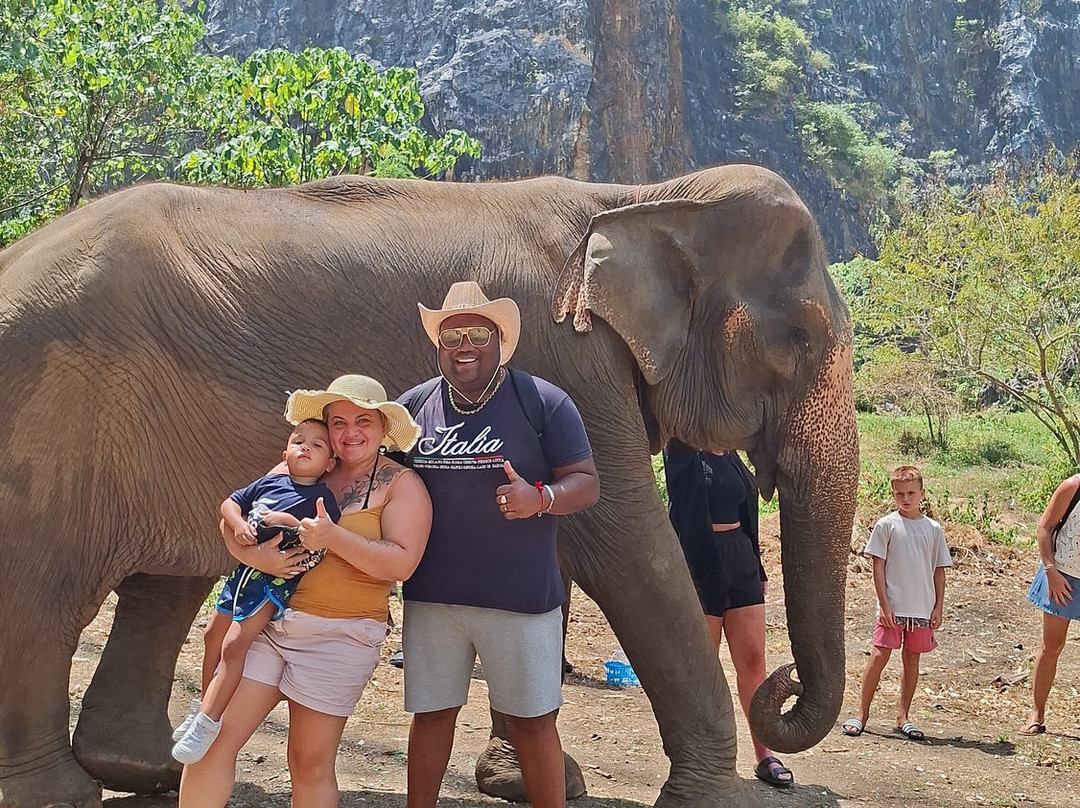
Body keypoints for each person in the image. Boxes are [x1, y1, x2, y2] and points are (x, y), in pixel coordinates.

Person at [178, 375, 432, 808]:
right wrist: (261, 560)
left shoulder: (402, 485)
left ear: (383, 426)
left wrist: (332, 537)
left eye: (362, 421)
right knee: (210, 742)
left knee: (307, 764)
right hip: (269, 626)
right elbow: (235, 518)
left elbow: (402, 562)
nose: (350, 432)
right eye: (338, 422)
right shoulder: (299, 463)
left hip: (339, 636)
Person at [400, 281, 599, 808]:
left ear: (500, 341)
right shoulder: (412, 409)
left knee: (530, 723)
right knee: (432, 716)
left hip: (521, 599)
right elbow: (377, 480)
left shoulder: (543, 402)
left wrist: (541, 498)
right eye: (452, 335)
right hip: (433, 596)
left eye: (476, 334)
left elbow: (586, 481)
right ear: (439, 345)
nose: (463, 345)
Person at [172, 418, 341, 764]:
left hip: (274, 582)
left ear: (330, 464)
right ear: (285, 452)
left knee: (235, 644)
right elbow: (230, 505)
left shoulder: (321, 497)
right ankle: (202, 704)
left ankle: (208, 721)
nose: (305, 448)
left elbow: (321, 538)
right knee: (212, 635)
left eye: (317, 445)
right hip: (244, 573)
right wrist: (237, 524)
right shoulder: (270, 481)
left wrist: (286, 521)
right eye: (299, 441)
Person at [663, 439, 793, 788]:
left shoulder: (733, 456)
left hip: (740, 561)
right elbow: (680, 509)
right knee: (703, 666)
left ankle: (764, 754)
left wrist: (758, 566)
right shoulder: (682, 452)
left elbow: (748, 513)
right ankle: (704, 756)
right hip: (700, 562)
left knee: (753, 661)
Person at [842, 465, 951, 741]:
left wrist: (938, 606)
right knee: (879, 656)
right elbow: (878, 567)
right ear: (893, 494)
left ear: (922, 493)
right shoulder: (886, 525)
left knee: (912, 659)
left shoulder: (933, 529)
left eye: (911, 492)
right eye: (900, 493)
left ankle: (903, 717)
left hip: (922, 608)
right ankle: (861, 714)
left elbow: (940, 569)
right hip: (892, 607)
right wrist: (884, 604)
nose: (906, 498)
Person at [1019, 472, 1080, 736]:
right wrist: (1051, 571)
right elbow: (1044, 527)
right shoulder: (1072, 486)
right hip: (1062, 576)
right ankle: (1037, 712)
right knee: (1052, 645)